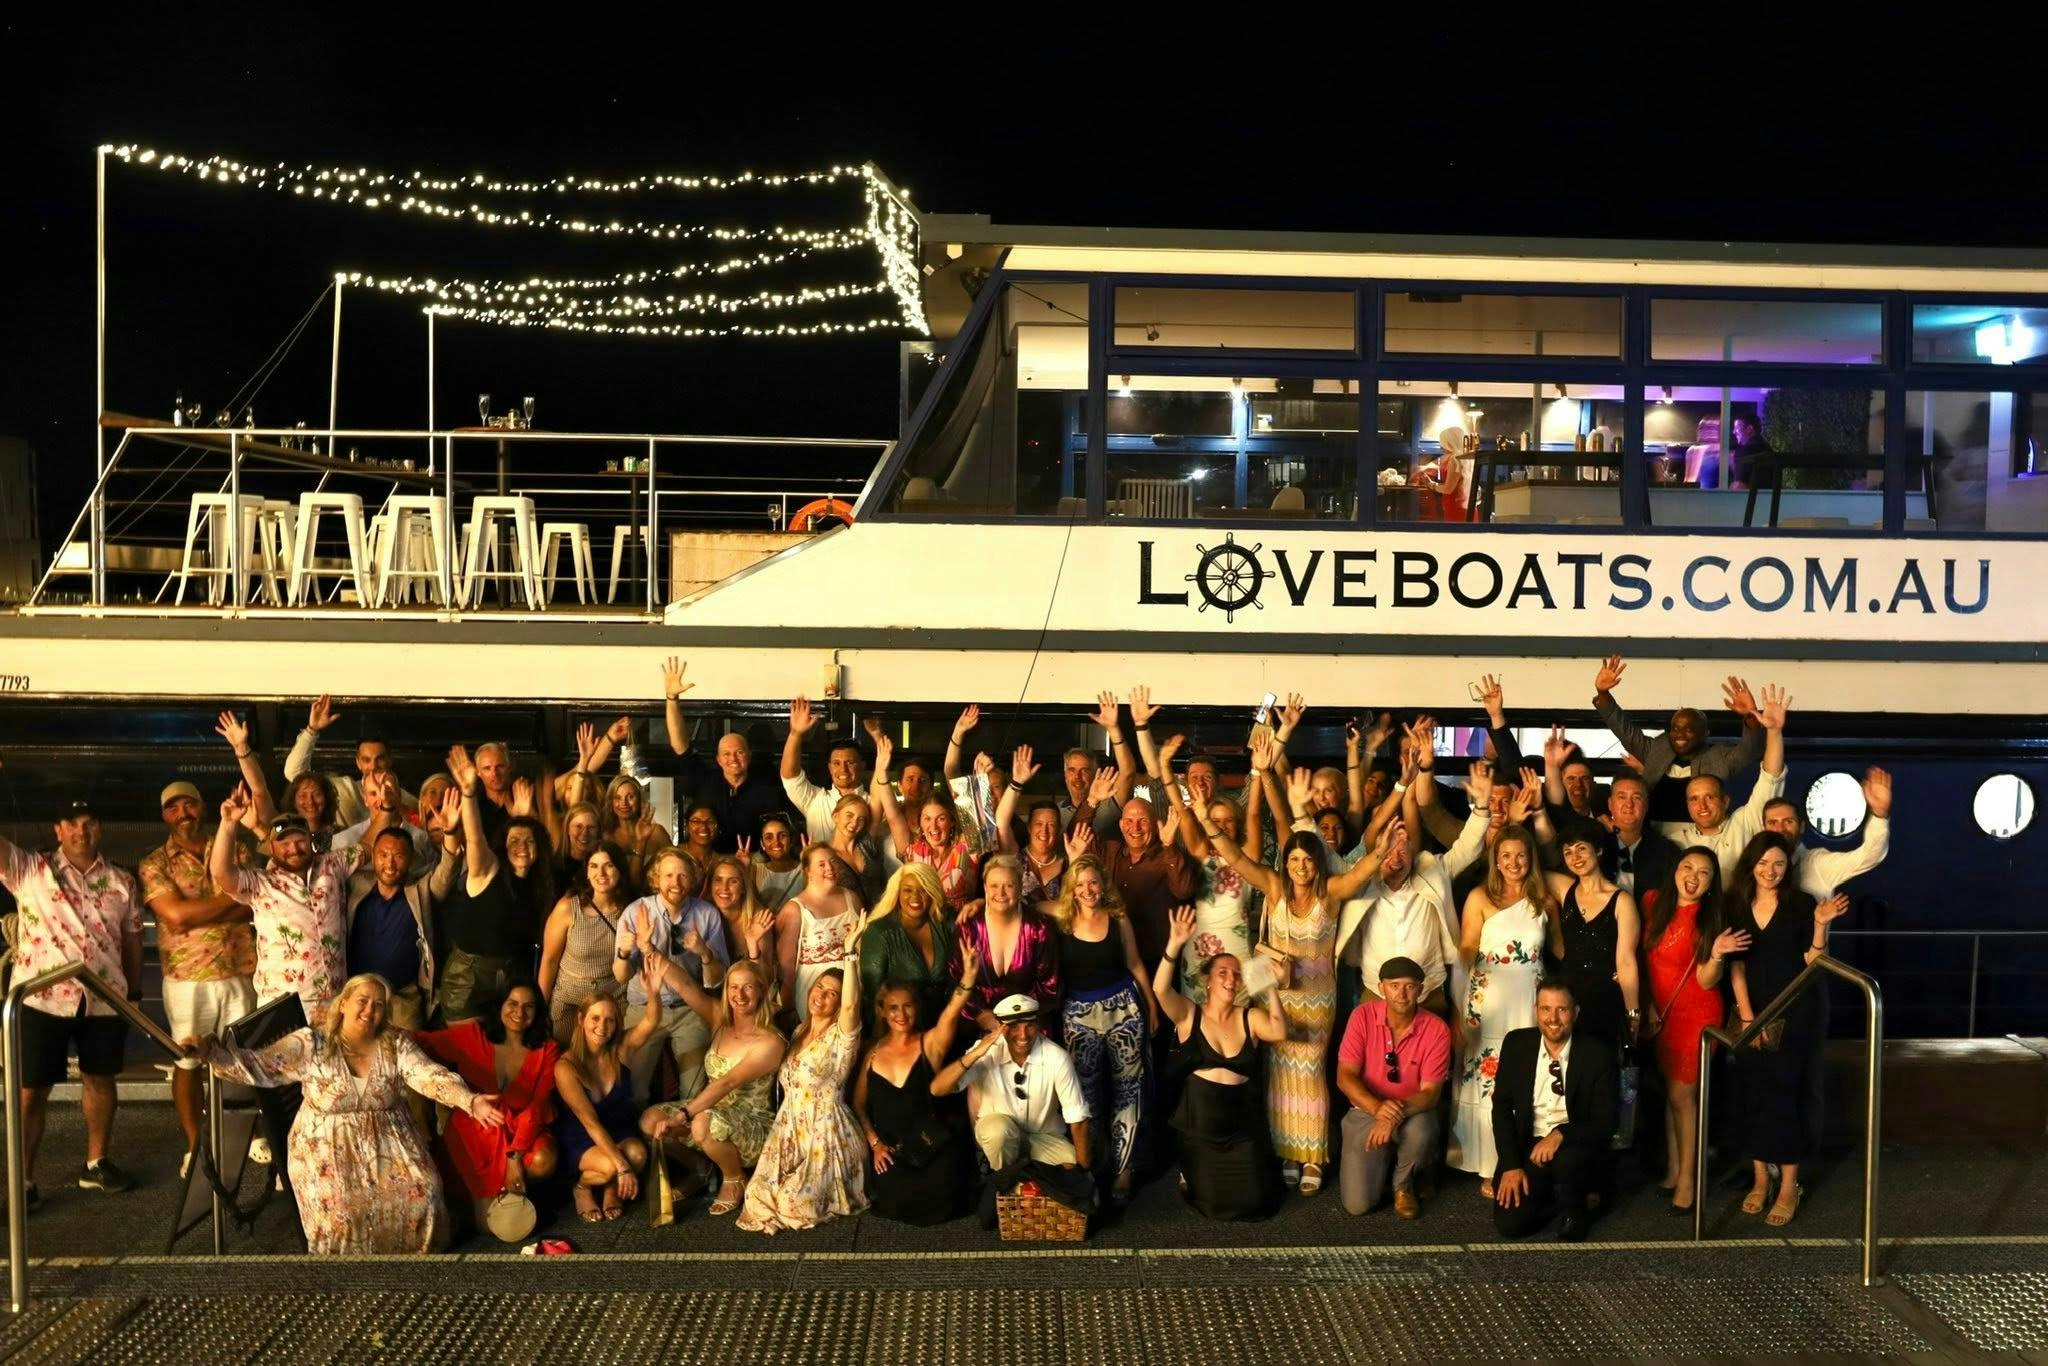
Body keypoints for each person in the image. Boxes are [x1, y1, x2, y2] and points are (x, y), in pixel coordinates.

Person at [189, 972, 508, 1252]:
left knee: (423, 1193)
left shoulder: (394, 1043)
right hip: (326, 1148)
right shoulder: (312, 1043)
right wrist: (211, 1053)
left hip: (389, 1141)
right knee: (340, 1213)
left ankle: (415, 1275)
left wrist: (469, 1100)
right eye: (362, 1000)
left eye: (379, 1004)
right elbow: (259, 1065)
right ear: (343, 1004)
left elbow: (428, 1075)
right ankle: (343, 1279)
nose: (370, 1009)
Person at [1195, 771, 1392, 1195]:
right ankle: (1287, 1152)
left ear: (1317, 862)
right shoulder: (1273, 888)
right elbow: (1236, 858)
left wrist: (1383, 851)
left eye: (1307, 860)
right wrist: (1206, 822)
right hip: (1276, 998)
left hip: (1318, 1001)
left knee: (1312, 1073)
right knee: (1279, 1074)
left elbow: (1360, 876)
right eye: (1294, 861)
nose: (1300, 867)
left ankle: (1314, 1157)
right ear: (1286, 863)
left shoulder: (1330, 893)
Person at [0, 797, 143, 1203]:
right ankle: (23, 1182)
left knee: (101, 1079)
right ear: (58, 830)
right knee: (31, 1090)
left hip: (103, 999)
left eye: (90, 822)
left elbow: (132, 940)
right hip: (41, 1000)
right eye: (72, 823)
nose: (82, 831)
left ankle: (96, 1163)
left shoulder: (122, 880)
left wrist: (132, 993)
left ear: (101, 829)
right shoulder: (28, 869)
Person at [1724, 831, 1852, 1228]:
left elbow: (1814, 962)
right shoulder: (1736, 903)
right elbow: (1737, 965)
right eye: (1763, 862)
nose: (1770, 870)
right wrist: (1748, 1016)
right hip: (1752, 1011)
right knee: (1754, 1093)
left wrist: (1820, 926)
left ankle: (1788, 1185)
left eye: (1778, 863)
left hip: (1797, 1012)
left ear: (1788, 867)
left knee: (1784, 1095)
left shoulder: (1801, 904)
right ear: (1751, 864)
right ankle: (1761, 1178)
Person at [139, 778, 259, 1178]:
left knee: (243, 1059)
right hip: (187, 979)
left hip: (241, 972)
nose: (183, 813)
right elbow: (174, 916)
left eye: (189, 804)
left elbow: (253, 904)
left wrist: (200, 912)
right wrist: (229, 902)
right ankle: (195, 1144)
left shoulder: (236, 848)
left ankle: (246, 1137)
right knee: (187, 1061)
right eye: (173, 807)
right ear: (164, 816)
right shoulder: (155, 863)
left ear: (202, 807)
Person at [736, 922, 870, 1233]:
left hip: (827, 1132)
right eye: (820, 987)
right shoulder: (798, 1031)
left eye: (832, 993)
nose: (822, 996)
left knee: (791, 1203)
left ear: (839, 1004)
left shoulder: (843, 1035)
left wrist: (849, 953)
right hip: (790, 1127)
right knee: (756, 1197)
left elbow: (852, 1003)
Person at [1154, 906, 1286, 1219]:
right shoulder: (1189, 1014)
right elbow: (1160, 989)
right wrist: (1174, 945)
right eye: (1222, 973)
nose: (1230, 979)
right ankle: (1189, 1170)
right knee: (1212, 1205)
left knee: (1255, 1204)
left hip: (1241, 1131)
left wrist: (1270, 986)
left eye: (1236, 975)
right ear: (1208, 981)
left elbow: (1279, 1030)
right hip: (1200, 1131)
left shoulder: (1250, 1016)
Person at [643, 931, 784, 1219]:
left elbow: (727, 1082)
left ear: (761, 990)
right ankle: (700, 1168)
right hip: (712, 1114)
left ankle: (734, 1178)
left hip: (755, 1124)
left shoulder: (770, 1041)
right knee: (650, 1120)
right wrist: (649, 950)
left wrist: (683, 1114)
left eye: (748, 988)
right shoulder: (721, 1021)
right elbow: (685, 986)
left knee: (702, 1123)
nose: (739, 995)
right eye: (733, 987)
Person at [1449, 824, 1555, 1196]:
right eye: (1506, 855)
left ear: (1531, 859)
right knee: (1486, 1076)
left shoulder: (1544, 899)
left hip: (1529, 1000)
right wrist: (1459, 1005)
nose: (1513, 862)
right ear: (1495, 859)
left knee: (1524, 1074)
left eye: (1521, 855)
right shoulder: (1479, 896)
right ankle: (1488, 1164)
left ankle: (1521, 1159)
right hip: (1487, 1000)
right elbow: (1465, 951)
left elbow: (1559, 953)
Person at [1640, 847, 1743, 1213]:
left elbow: (1705, 979)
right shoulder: (1652, 902)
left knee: (1684, 1099)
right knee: (1671, 1094)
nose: (1693, 876)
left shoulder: (1709, 919)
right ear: (1675, 870)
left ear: (1712, 883)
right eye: (1687, 867)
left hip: (1697, 1015)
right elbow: (1644, 958)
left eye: (1704, 872)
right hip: (1662, 1014)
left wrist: (1716, 953)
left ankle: (1688, 1182)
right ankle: (1672, 1171)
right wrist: (1648, 1002)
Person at [1050, 855, 1157, 1200]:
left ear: (1103, 884)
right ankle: (1092, 1168)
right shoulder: (1063, 917)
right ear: (1071, 889)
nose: (1087, 890)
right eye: (1080, 884)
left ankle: (1124, 1171)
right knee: (1085, 1095)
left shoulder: (1118, 917)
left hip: (1123, 1009)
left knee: (1129, 1090)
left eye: (1093, 882)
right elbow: (1027, 905)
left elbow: (1136, 965)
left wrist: (1152, 1007)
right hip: (1078, 1015)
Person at [853, 949, 979, 1225]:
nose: (901, 1013)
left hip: (932, 1147)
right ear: (883, 1011)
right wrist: (875, 1144)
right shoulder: (872, 1052)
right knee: (894, 1200)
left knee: (945, 1194)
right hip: (894, 1152)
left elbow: (950, 1014)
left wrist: (968, 978)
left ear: (916, 1008)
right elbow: (858, 1105)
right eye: (894, 1007)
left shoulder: (929, 1043)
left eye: (908, 1005)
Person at [412, 982, 560, 1213]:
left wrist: (515, 1157)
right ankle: (481, 1203)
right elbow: (424, 1041)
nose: (519, 1013)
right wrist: (379, 1029)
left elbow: (536, 1107)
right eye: (512, 1003)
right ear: (500, 1005)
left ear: (538, 1012)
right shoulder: (474, 1035)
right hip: (475, 1129)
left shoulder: (547, 1049)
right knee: (486, 1226)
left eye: (528, 1006)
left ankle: (513, 1193)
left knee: (544, 1159)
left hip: (520, 1130)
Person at [1491, 978, 1619, 1241]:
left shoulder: (1597, 1053)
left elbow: (1607, 1121)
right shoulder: (1517, 1044)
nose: (1553, 1018)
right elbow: (1501, 1109)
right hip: (1530, 1144)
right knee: (1511, 1226)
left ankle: (1575, 1208)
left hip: (1574, 1145)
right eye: (1546, 1009)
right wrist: (1511, 1165)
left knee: (1567, 1167)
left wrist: (1561, 1133)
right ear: (1536, 1010)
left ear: (1575, 1012)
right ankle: (1554, 1198)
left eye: (1562, 1009)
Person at [439, 748, 556, 1022]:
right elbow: (475, 836)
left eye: (528, 841)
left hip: (510, 978)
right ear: (502, 847)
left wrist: (526, 817)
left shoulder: (539, 884)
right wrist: (468, 793)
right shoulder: (487, 869)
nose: (522, 847)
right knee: (469, 1058)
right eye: (514, 840)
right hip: (467, 981)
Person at [1336, 956, 1453, 1218]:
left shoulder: (1437, 1030)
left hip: (1412, 1112)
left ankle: (1403, 1184)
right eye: (1394, 985)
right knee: (1358, 1205)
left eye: (1410, 986)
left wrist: (1392, 1114)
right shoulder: (1362, 1016)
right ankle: (1389, 1164)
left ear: (1421, 990)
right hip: (1366, 1109)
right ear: (1381, 988)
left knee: (1423, 1129)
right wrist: (1378, 1109)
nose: (1402, 994)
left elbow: (1431, 1094)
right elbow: (1345, 1077)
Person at [1154, 732, 1266, 1003]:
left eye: (1228, 821)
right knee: (1199, 1021)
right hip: (1199, 948)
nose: (1222, 826)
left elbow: (1252, 812)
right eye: (1215, 820)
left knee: (1243, 1017)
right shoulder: (1201, 851)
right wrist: (1165, 766)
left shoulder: (1248, 855)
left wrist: (1258, 770)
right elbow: (1181, 809)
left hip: (1241, 948)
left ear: (1237, 825)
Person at [614, 847, 731, 1102]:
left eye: (682, 876)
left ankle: (684, 1138)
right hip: (645, 1006)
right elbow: (622, 977)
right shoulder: (636, 912)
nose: (675, 883)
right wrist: (625, 952)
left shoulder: (706, 914)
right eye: (668, 876)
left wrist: (704, 954)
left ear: (692, 878)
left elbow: (718, 978)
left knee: (694, 1091)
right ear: (656, 879)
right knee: (633, 1090)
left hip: (689, 1009)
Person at [1592, 657, 1767, 824]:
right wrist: (1603, 693)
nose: (1680, 735)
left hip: (1703, 841)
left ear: (1705, 733)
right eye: (1675, 728)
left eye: (1689, 729)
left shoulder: (1719, 757)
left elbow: (1751, 749)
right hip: (1656, 839)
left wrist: (1750, 716)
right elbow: (1626, 732)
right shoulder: (1657, 749)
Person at [552, 964, 665, 1221]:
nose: (602, 1026)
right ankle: (582, 1187)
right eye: (595, 1018)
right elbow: (589, 1122)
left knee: (638, 1153)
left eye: (610, 1020)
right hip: (581, 1139)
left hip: (617, 1132)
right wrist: (622, 1167)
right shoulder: (565, 1066)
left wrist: (654, 992)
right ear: (581, 1020)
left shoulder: (620, 1050)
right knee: (607, 1166)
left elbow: (651, 1021)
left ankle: (611, 1189)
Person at [931, 993, 1092, 1172]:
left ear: (1038, 1025)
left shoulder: (1057, 1057)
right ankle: (1004, 1182)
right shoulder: (987, 1051)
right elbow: (937, 1089)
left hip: (1044, 1138)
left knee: (1073, 1168)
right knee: (996, 1132)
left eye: (1029, 1025)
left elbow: (1078, 1119)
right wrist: (975, 1054)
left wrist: (1083, 1174)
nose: (1023, 1035)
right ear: (1001, 1027)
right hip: (1001, 1137)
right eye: (1014, 1026)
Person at [1653, 683, 1791, 871]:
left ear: (1725, 801)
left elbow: (1771, 777)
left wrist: (1774, 732)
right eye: (1694, 799)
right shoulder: (1674, 843)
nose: (1702, 806)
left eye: (1710, 797)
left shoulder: (1744, 823)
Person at [663, 657, 795, 850]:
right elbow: (680, 746)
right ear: (718, 760)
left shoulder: (767, 786)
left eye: (739, 752)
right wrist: (672, 699)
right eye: (726, 754)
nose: (733, 759)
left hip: (755, 865)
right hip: (711, 864)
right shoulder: (705, 781)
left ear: (749, 756)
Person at [1541, 823, 1642, 1054]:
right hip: (1568, 1001)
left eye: (1581, 849)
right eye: (1567, 852)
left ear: (1598, 850)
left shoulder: (1622, 901)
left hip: (1605, 999)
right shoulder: (1566, 889)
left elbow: (1626, 961)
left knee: (1604, 1071)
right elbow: (1528, 868)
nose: (1575, 857)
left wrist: (1633, 1015)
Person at [872, 732, 981, 911]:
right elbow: (893, 815)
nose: (933, 826)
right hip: (919, 931)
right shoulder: (914, 850)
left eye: (941, 819)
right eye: (927, 819)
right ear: (921, 823)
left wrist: (979, 779)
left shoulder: (966, 848)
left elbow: (954, 777)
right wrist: (882, 773)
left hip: (959, 931)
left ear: (952, 822)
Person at [951, 856, 1062, 1032]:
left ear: (1019, 888)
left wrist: (1019, 1022)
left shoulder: (1038, 928)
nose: (1001, 893)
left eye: (1009, 886)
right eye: (994, 886)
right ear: (985, 888)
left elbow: (1050, 985)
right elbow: (955, 977)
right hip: (979, 1025)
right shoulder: (968, 928)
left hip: (1030, 1024)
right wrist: (981, 1014)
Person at [343, 826, 437, 1030]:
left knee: (411, 1057)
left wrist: (451, 835)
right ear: (373, 856)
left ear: (411, 860)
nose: (389, 864)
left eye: (398, 856)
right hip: (356, 994)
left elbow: (448, 872)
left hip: (402, 997)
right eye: (383, 855)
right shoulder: (355, 884)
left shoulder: (420, 891)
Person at [538, 841, 632, 1044]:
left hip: (612, 1001)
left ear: (619, 870)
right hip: (571, 1001)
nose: (602, 873)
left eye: (609, 865)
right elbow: (549, 960)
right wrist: (539, 1009)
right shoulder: (568, 908)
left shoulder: (630, 910)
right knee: (567, 1061)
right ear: (587, 872)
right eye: (594, 866)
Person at [1762, 766, 1893, 900]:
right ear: (1763, 827)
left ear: (1801, 827)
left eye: (1788, 822)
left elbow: (1869, 856)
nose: (1780, 829)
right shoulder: (1755, 866)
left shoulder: (1818, 864)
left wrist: (1879, 813)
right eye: (1772, 823)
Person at [858, 863, 960, 1032]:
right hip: (900, 1031)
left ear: (932, 892)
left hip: (946, 1028)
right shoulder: (879, 932)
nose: (915, 897)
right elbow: (873, 999)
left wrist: (978, 904)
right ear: (897, 893)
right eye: (907, 890)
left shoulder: (944, 922)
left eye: (923, 889)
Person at [284, 694, 410, 827]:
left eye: (380, 759)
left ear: (389, 760)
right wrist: (311, 730)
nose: (373, 766)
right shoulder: (343, 790)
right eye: (366, 760)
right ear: (358, 762)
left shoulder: (407, 800)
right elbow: (293, 773)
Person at [774, 842, 863, 1025]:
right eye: (821, 864)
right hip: (816, 993)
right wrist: (786, 1004)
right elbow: (786, 967)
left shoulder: (852, 898)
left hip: (853, 987)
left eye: (833, 862)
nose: (829, 868)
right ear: (808, 871)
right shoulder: (795, 909)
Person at [994, 746, 1087, 903]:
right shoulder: (1014, 857)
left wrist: (1076, 861)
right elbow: (1001, 821)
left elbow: (1074, 908)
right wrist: (1016, 783)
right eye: (1038, 823)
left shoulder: (1068, 864)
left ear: (1058, 830)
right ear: (1029, 827)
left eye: (1051, 825)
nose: (1044, 830)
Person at [781, 695, 871, 846]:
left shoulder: (873, 803)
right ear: (829, 768)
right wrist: (795, 734)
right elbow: (790, 776)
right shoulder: (814, 800)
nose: (843, 769)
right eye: (836, 763)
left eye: (850, 762)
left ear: (862, 765)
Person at [1603, 774, 1679, 898]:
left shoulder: (1667, 852)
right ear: (1610, 804)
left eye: (1636, 798)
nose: (1629, 804)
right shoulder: (1595, 846)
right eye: (1622, 797)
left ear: (1646, 805)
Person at [601, 774, 668, 885]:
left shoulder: (657, 832)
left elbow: (676, 865)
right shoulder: (607, 837)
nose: (624, 803)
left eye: (630, 797)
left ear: (640, 800)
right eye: (618, 798)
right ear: (611, 802)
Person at [749, 814, 805, 913]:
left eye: (782, 836)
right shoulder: (755, 871)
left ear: (791, 840)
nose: (776, 842)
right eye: (769, 837)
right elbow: (749, 906)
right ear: (762, 844)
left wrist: (811, 860)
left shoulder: (805, 869)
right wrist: (744, 867)